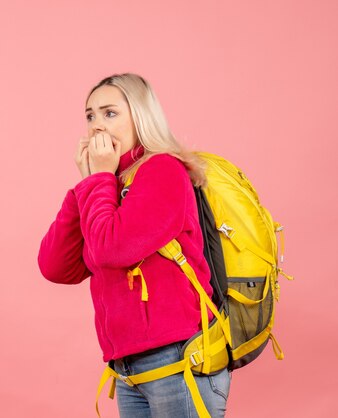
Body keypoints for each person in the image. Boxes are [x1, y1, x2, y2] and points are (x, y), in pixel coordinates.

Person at [37, 73, 231, 417]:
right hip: (128, 370)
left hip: (178, 361)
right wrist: (90, 182)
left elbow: (113, 250)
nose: (97, 126)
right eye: (90, 115)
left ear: (140, 118)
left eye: (110, 113)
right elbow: (56, 266)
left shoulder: (163, 171)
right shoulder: (109, 184)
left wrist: (98, 179)